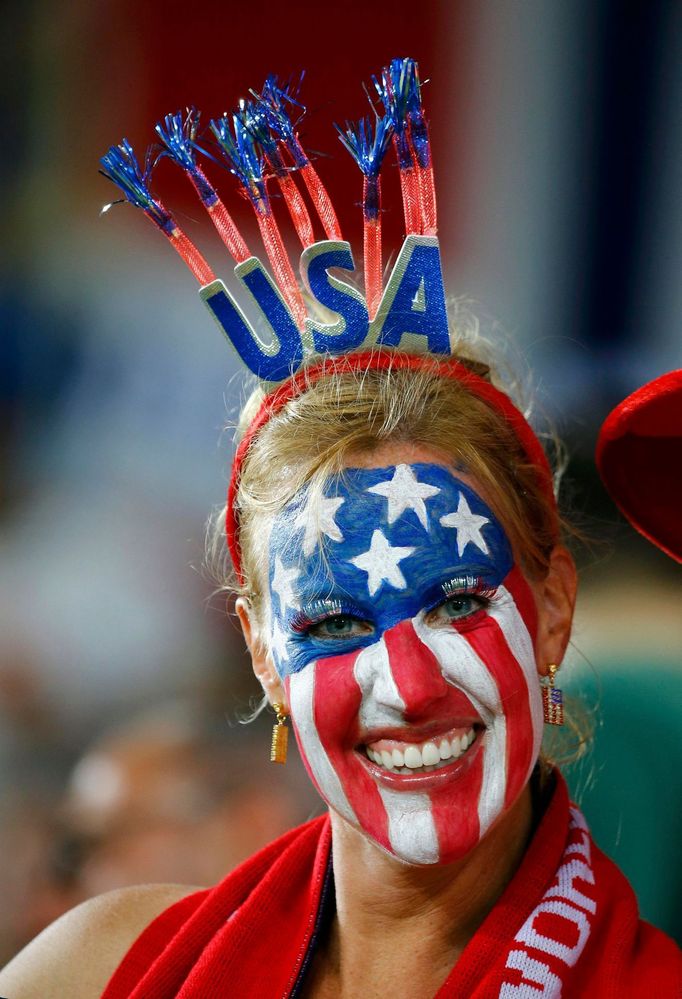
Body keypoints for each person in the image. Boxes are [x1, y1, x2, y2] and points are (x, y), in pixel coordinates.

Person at [2, 58, 680, 998]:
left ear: (557, 608)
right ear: (261, 653)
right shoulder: (100, 970)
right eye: (331, 624)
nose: (405, 687)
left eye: (453, 602)